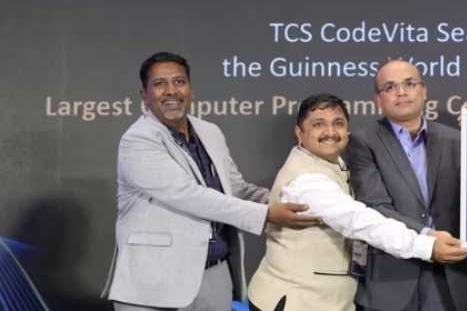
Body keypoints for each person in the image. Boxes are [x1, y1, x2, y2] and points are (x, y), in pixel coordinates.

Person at [102, 52, 315, 311]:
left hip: (214, 276)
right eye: (159, 84)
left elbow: (236, 188)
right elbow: (188, 195)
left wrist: (292, 201)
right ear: (144, 95)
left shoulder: (209, 132)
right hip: (154, 283)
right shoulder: (138, 140)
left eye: (179, 82)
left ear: (190, 89)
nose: (171, 91)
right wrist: (268, 214)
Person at [247, 93, 467, 311]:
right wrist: (428, 246)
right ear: (299, 132)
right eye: (318, 124)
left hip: (329, 300)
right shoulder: (306, 181)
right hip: (297, 301)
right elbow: (361, 221)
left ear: (347, 131)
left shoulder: (335, 163)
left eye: (338, 123)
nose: (330, 132)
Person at [347, 60, 467, 311]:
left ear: (424, 91)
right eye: (390, 87)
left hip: (449, 278)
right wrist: (428, 237)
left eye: (409, 84)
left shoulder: (458, 140)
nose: (401, 92)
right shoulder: (363, 142)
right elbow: (375, 207)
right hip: (392, 280)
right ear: (378, 99)